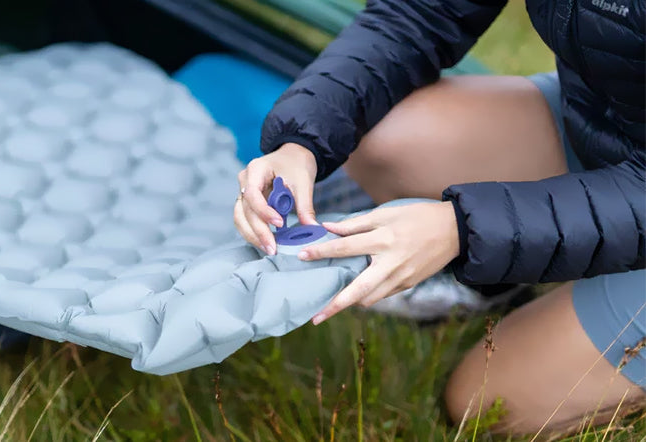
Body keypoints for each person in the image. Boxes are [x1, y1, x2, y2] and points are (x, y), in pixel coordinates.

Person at [232, 0, 644, 435]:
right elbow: (420, 14)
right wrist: (302, 140)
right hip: (604, 123)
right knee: (385, 143)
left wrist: (460, 229)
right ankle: (497, 280)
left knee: (489, 405)